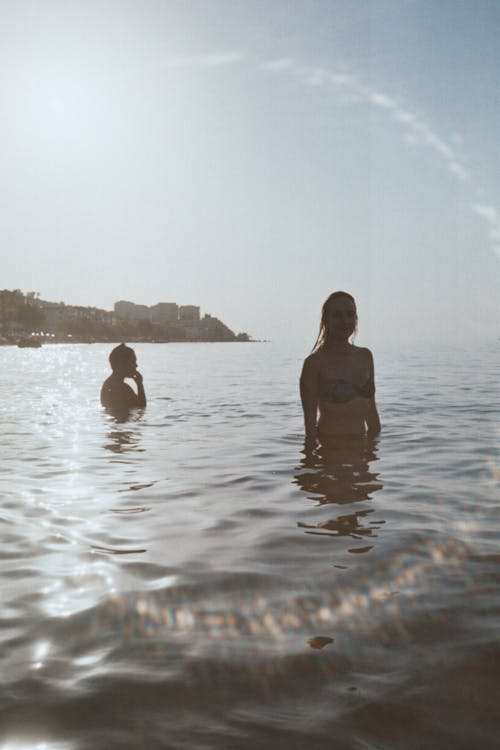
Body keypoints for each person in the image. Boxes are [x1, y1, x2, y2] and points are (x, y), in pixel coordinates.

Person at [300, 291, 380, 440]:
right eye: (337, 315)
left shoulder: (365, 356)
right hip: (328, 453)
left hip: (361, 454)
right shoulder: (314, 363)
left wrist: (373, 453)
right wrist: (313, 460)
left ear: (356, 319)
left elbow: (372, 416)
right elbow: (310, 428)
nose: (345, 321)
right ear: (326, 320)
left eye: (350, 314)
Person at [100, 343, 146, 414]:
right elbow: (142, 408)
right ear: (121, 364)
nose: (136, 365)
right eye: (133, 362)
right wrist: (140, 385)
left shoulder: (107, 384)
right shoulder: (122, 388)